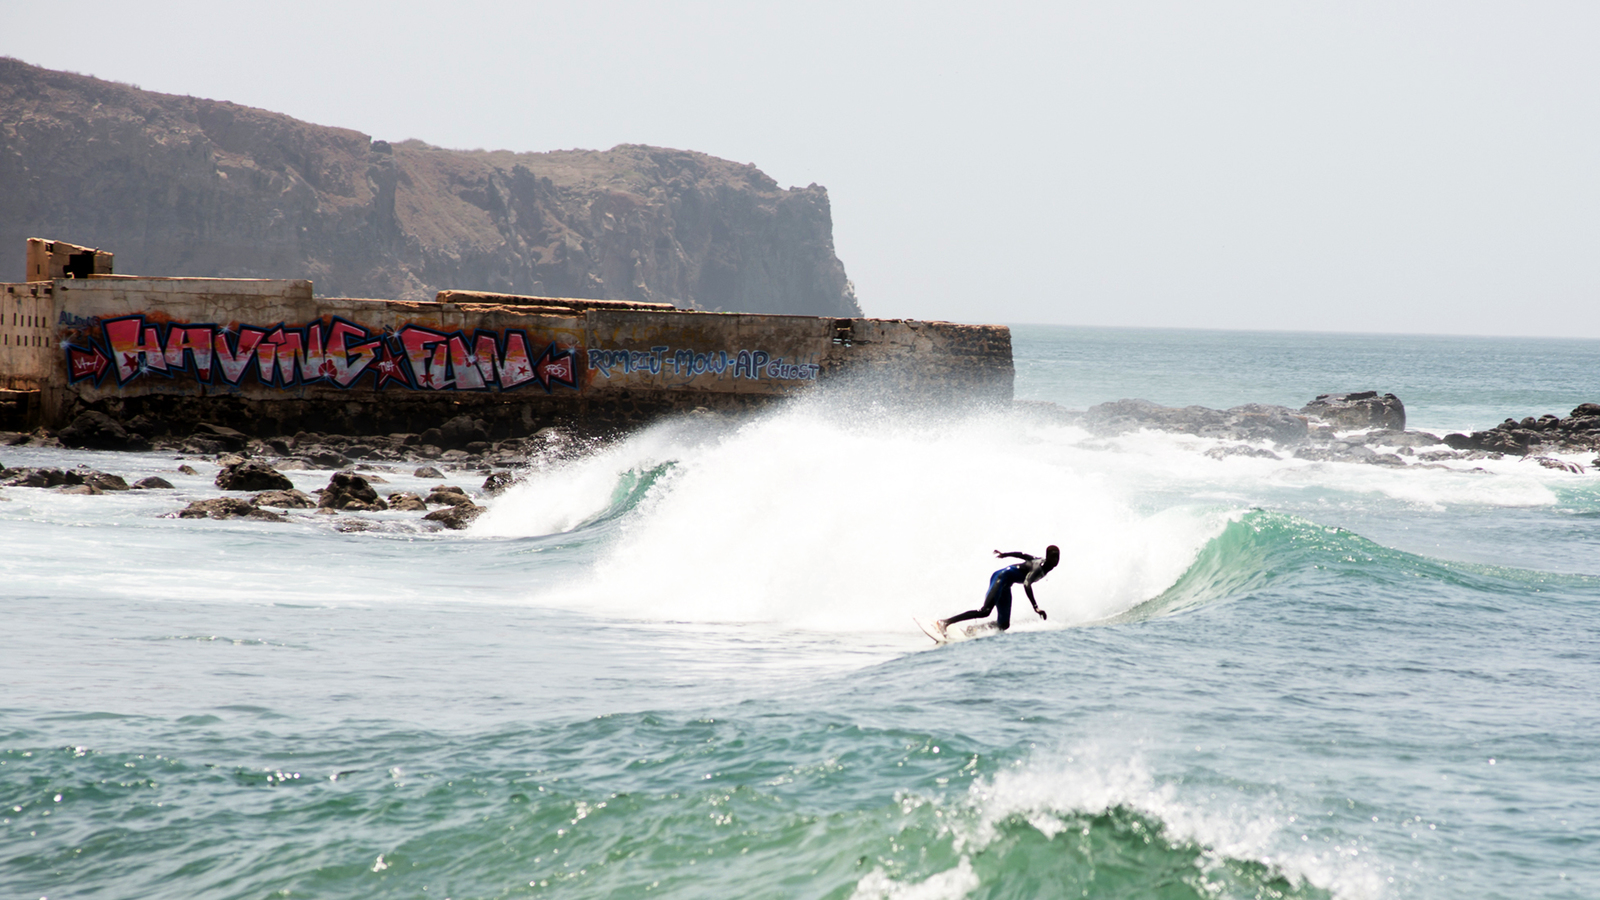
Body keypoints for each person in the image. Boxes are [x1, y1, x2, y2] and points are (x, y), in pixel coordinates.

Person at [937, 546, 1058, 636]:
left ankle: (973, 630)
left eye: (1058, 556)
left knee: (1004, 625)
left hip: (1006, 585)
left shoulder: (1043, 563)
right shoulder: (1038, 568)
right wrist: (1036, 607)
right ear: (1048, 556)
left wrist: (1005, 554)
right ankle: (945, 622)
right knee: (984, 611)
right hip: (1001, 577)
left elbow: (1023, 555)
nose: (1056, 559)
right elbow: (1026, 584)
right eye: (1053, 557)